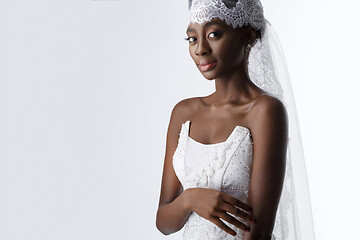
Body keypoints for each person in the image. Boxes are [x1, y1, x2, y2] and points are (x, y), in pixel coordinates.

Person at [156, 0, 315, 239]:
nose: (200, 49)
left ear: (247, 36)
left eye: (213, 34)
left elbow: (259, 230)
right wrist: (190, 198)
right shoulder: (183, 112)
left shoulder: (265, 111)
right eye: (192, 38)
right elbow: (164, 222)